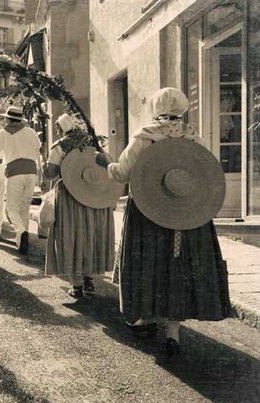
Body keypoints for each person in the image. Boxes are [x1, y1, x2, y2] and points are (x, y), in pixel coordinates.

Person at [96, 87, 232, 358]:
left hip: (150, 210)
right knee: (178, 264)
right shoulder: (193, 138)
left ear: (154, 108)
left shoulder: (144, 138)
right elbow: (206, 174)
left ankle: (145, 317)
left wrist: (105, 163)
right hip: (187, 212)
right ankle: (173, 331)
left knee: (150, 262)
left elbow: (122, 174)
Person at [43, 114, 116, 298]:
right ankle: (88, 277)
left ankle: (76, 284)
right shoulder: (94, 142)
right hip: (94, 194)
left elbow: (50, 174)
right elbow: (107, 165)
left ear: (60, 129)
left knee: (71, 235)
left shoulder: (60, 146)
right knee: (90, 233)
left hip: (70, 196)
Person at [0, 106, 42, 255]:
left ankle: (21, 231)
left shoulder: (3, 133)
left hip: (14, 172)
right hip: (31, 172)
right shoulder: (31, 132)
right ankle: (22, 241)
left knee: (11, 208)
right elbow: (38, 149)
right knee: (24, 206)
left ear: (7, 118)